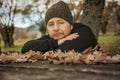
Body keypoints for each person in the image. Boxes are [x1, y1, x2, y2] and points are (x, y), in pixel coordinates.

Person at [21, 1, 97, 54]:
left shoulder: (83, 31)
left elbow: (66, 50)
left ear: (71, 26)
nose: (56, 28)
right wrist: (57, 42)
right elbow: (26, 48)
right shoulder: (50, 38)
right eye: (51, 24)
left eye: (61, 23)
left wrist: (44, 48)